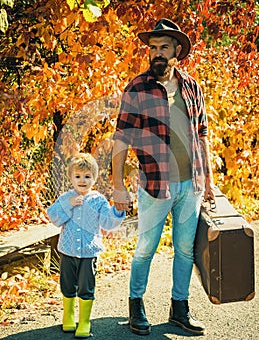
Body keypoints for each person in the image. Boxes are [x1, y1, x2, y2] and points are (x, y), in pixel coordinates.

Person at [112, 18, 215, 336]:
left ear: (176, 51)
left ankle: (179, 308)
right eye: (153, 47)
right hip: (155, 185)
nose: (157, 52)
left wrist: (208, 181)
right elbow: (121, 138)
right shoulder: (138, 87)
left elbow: (202, 135)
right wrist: (117, 185)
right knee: (146, 247)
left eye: (164, 47)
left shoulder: (192, 87)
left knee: (185, 249)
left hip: (191, 185)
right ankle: (136, 304)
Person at [47, 153, 125, 338]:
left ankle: (84, 321)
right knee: (67, 284)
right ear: (71, 178)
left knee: (85, 286)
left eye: (87, 176)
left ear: (94, 178)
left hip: (89, 252)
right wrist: (68, 205)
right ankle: (68, 315)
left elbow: (107, 223)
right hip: (68, 251)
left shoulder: (98, 200)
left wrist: (117, 211)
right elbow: (54, 217)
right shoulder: (65, 198)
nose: (82, 180)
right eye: (78, 176)